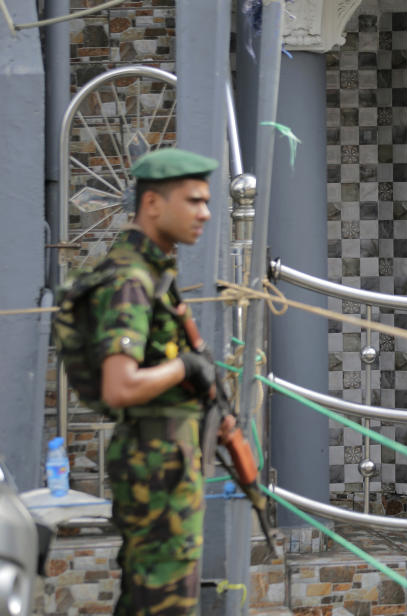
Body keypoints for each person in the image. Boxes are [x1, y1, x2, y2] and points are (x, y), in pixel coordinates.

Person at [96, 147, 219, 614]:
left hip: (165, 467)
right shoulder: (131, 278)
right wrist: (186, 368)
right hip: (156, 476)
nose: (205, 213)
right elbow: (118, 386)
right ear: (152, 205)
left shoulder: (153, 270)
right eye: (193, 201)